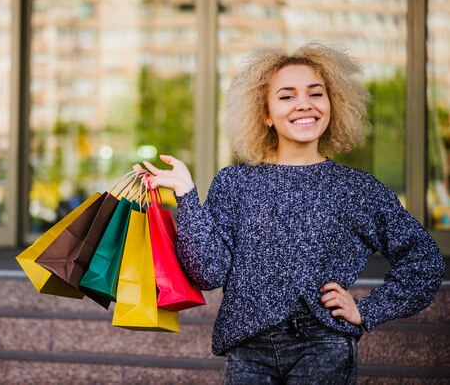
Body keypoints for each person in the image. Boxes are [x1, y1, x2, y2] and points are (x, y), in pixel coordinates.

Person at [135, 42, 445, 384]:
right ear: (265, 113)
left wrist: (368, 310)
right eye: (286, 96)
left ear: (333, 103)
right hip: (248, 352)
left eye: (316, 93)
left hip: (323, 349)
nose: (304, 105)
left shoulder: (355, 188)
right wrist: (186, 196)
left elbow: (424, 261)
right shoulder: (235, 182)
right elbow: (207, 274)